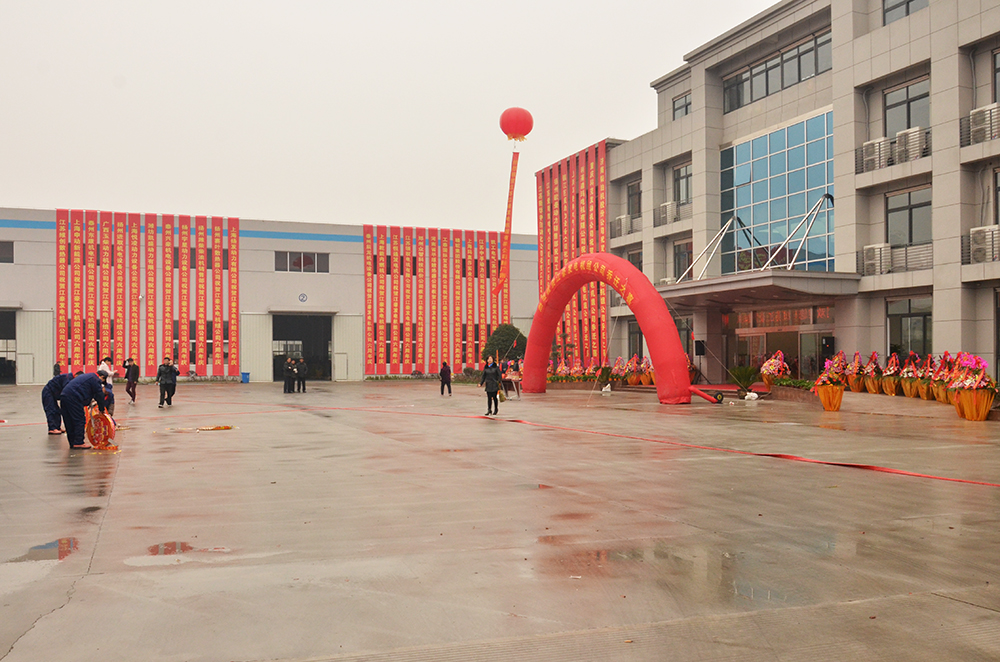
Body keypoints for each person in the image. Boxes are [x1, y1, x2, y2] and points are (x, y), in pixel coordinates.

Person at [60, 371, 109, 449]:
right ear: (102, 377)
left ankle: (73, 442)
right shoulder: (95, 379)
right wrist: (102, 409)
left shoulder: (88, 376)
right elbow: (99, 395)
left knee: (69, 420)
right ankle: (79, 442)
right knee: (79, 419)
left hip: (64, 395)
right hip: (74, 397)